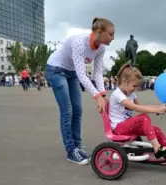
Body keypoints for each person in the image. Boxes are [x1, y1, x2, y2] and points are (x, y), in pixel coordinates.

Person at [45, 17, 114, 165]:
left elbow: (97, 74)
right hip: (56, 70)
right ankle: (71, 151)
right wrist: (96, 96)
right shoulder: (78, 42)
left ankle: (77, 146)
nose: (113, 38)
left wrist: (103, 94)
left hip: (72, 73)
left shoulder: (101, 48)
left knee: (78, 110)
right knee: (67, 110)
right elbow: (82, 74)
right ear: (99, 32)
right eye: (110, 34)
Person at [109, 63, 166, 158]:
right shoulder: (117, 94)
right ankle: (157, 147)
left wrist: (158, 107)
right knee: (143, 118)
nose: (135, 89)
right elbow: (136, 108)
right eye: (134, 86)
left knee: (156, 129)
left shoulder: (130, 94)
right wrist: (158, 110)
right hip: (118, 128)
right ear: (124, 81)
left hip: (126, 125)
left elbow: (142, 106)